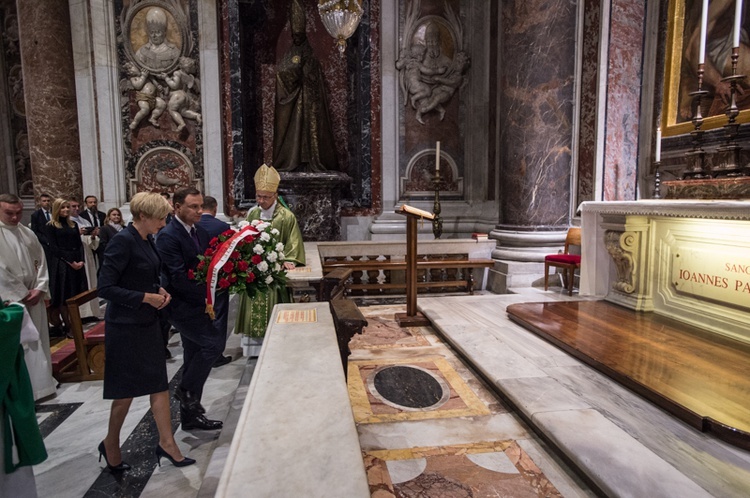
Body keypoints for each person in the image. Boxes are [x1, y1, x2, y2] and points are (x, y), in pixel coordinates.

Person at [98, 192, 194, 471]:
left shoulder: (146, 239)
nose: (164, 223)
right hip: (125, 328)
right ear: (143, 216)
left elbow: (149, 276)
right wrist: (144, 297)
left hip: (148, 324)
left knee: (158, 385)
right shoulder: (122, 242)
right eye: (160, 218)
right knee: (125, 392)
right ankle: (111, 442)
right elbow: (105, 288)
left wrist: (158, 290)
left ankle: (167, 443)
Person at [156, 187, 224, 431]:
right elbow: (176, 277)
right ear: (177, 207)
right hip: (181, 305)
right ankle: (185, 391)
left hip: (198, 303)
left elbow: (208, 265)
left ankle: (190, 417)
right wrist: (207, 293)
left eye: (200, 206)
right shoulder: (168, 235)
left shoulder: (200, 231)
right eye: (192, 207)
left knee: (194, 354)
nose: (198, 211)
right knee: (213, 344)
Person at [235, 165, 305, 338]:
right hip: (254, 270)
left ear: (275, 196)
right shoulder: (253, 214)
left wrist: (289, 259)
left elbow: (293, 240)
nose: (261, 200)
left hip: (275, 270)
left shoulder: (286, 216)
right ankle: (252, 340)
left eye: (266, 197)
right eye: (259, 196)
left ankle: (277, 336)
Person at [0, 193, 56, 401]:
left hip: (34, 296)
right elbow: (1, 272)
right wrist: (21, 294)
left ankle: (42, 385)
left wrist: (41, 288)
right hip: (11, 301)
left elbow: (41, 261)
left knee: (39, 339)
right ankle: (22, 389)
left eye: (18, 213)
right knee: (21, 344)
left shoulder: (27, 233)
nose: (15, 218)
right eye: (9, 213)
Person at [272, 0, 338, 172]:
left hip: (311, 103)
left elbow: (312, 75)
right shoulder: (292, 52)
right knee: (295, 132)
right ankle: (293, 160)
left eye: (299, 35)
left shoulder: (308, 53)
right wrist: (293, 76)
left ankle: (312, 161)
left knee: (312, 134)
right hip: (296, 104)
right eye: (295, 35)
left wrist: (304, 75)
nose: (297, 38)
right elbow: (283, 72)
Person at [197, 195, 232, 367]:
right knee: (218, 314)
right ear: (215, 208)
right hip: (218, 280)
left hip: (196, 279)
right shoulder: (222, 226)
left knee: (200, 316)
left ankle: (201, 351)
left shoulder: (193, 226)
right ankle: (216, 354)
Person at [44, 198, 87, 335]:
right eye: (63, 208)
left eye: (67, 207)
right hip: (62, 263)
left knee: (75, 295)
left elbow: (79, 244)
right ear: (57, 209)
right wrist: (70, 262)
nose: (66, 210)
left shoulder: (73, 224)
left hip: (76, 261)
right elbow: (54, 248)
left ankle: (75, 323)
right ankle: (68, 326)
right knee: (64, 295)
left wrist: (80, 261)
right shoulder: (51, 226)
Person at [69, 199, 101, 321]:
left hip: (87, 254)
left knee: (90, 281)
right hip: (75, 256)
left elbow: (92, 243)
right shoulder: (67, 222)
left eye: (78, 206)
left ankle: (90, 312)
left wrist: (93, 236)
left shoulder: (84, 220)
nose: (76, 208)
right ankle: (80, 315)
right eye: (73, 206)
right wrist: (77, 233)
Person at [160, 57, 202, 132]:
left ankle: (181, 123)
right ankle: (196, 115)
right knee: (183, 111)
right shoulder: (190, 77)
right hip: (186, 97)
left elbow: (174, 86)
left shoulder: (177, 73)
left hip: (177, 95)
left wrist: (166, 78)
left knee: (172, 109)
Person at [135, 7, 180, 72]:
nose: (154, 36)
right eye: (151, 32)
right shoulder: (142, 52)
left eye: (158, 32)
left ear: (164, 32)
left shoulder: (174, 52)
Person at [124, 62, 166, 130]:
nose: (130, 71)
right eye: (128, 70)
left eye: (130, 67)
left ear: (138, 66)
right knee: (145, 110)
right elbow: (138, 86)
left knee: (162, 104)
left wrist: (158, 86)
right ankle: (135, 122)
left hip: (153, 98)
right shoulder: (134, 79)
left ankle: (153, 117)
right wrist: (143, 76)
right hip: (143, 98)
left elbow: (154, 81)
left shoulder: (148, 76)